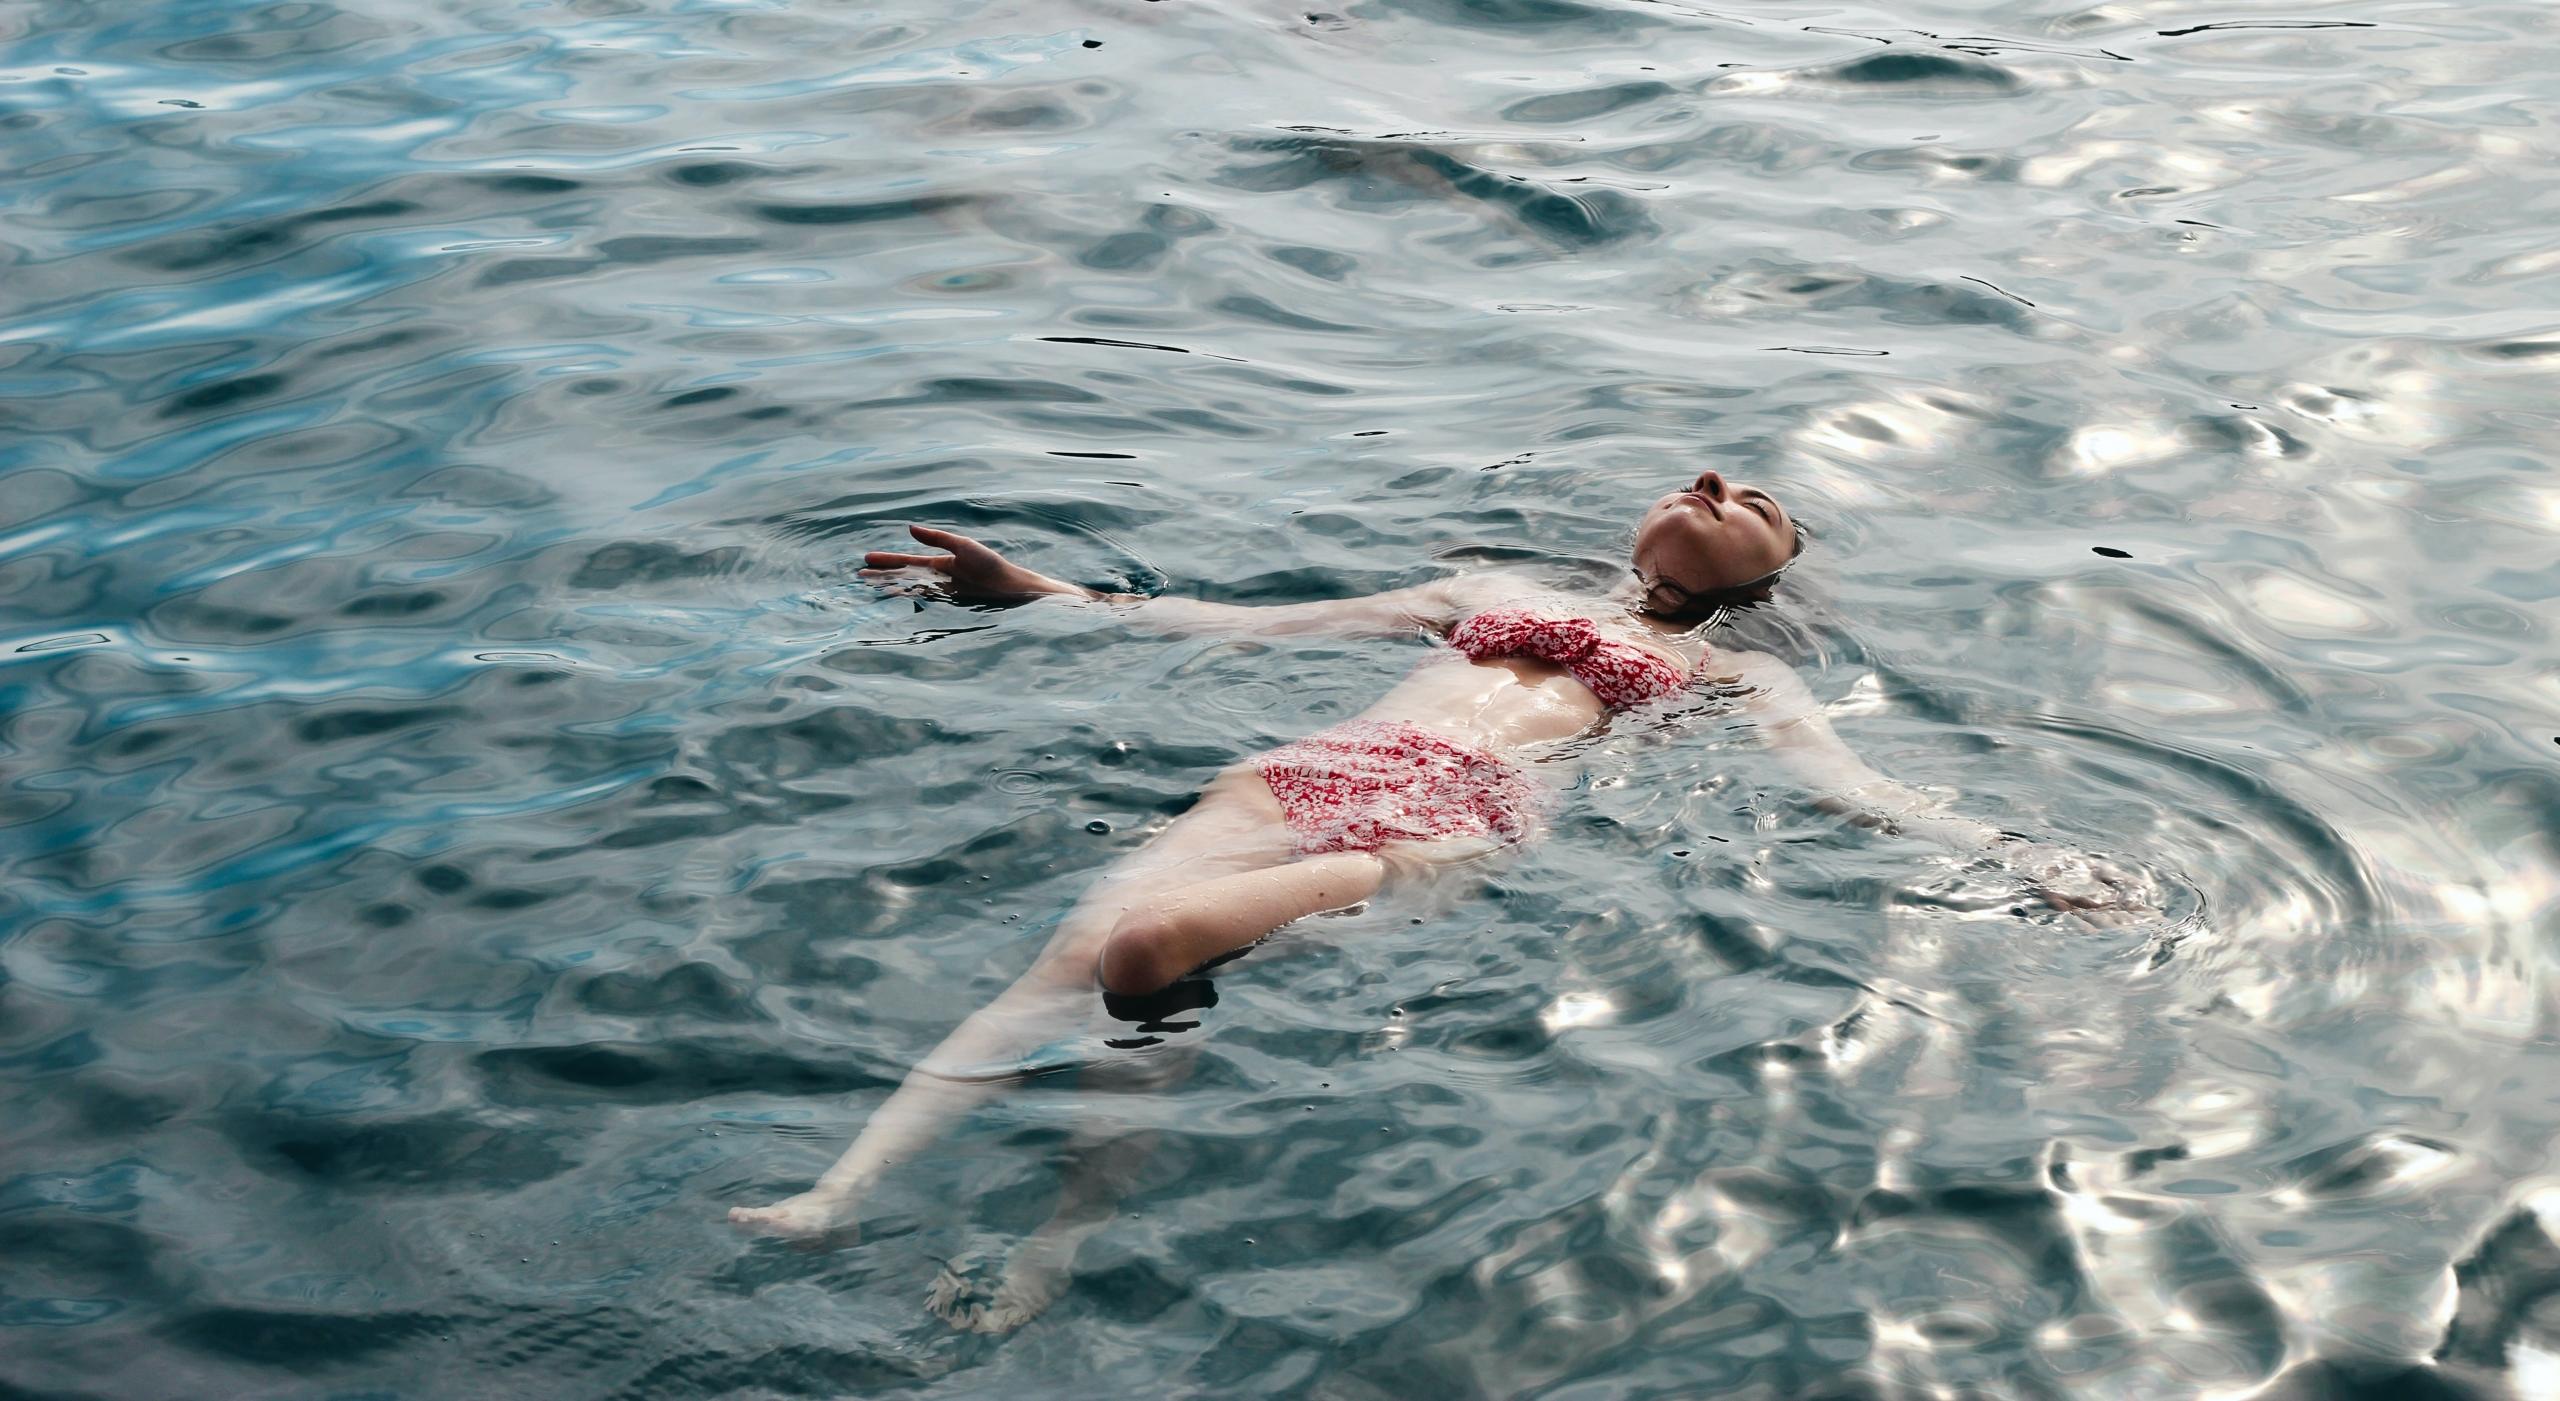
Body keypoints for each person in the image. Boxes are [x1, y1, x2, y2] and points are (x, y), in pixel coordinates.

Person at [727, 469, 2154, 1326]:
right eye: (1703, 478)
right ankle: (838, 1191)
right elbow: (1240, 623)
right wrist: (1035, 590)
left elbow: (1856, 789)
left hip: (1454, 820)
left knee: (1147, 947)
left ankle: (1060, 1238)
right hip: (1291, 778)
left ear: (1770, 573)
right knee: (1070, 964)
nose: (1717, 484)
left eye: (1757, 502)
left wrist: (2022, 856)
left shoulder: (1737, 674)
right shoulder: (1481, 582)